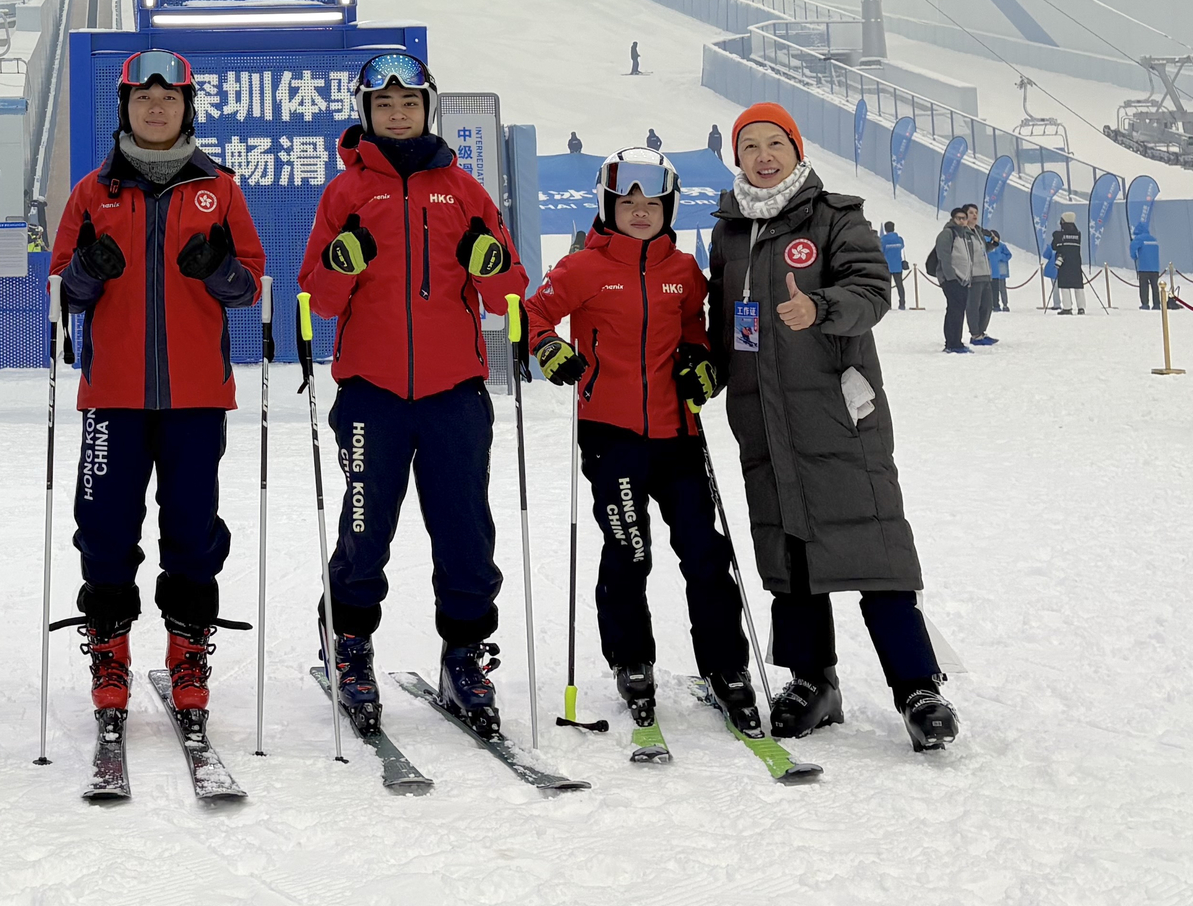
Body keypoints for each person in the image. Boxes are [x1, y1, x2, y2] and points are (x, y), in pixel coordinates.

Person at [708, 102, 957, 751]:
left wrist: (818, 306)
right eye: (751, 146)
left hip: (837, 411)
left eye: (775, 144)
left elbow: (871, 289)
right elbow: (720, 320)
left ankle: (917, 687)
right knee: (789, 555)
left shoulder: (836, 215)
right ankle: (812, 682)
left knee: (873, 546)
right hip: (762, 417)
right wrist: (700, 375)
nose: (763, 157)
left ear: (796, 149)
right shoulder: (731, 229)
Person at [299, 52, 527, 734]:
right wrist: (341, 264)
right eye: (383, 106)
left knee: (464, 531)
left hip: (454, 391)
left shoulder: (463, 190)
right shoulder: (345, 194)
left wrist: (494, 267)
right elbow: (317, 298)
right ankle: (349, 644)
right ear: (366, 115)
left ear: (428, 108)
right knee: (366, 528)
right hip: (372, 392)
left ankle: (464, 654)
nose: (397, 115)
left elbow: (508, 291)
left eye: (408, 104)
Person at [51, 50, 264, 734]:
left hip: (197, 396)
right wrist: (86, 270)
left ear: (186, 107)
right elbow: (64, 296)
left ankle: (187, 655)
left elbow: (250, 286)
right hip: (112, 394)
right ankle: (110, 657)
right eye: (143, 99)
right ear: (126, 108)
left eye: (168, 99)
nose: (156, 108)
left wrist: (219, 269)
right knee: (105, 529)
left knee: (193, 532)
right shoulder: (94, 192)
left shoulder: (220, 189)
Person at [524, 150, 757, 736]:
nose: (639, 212)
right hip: (613, 435)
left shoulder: (684, 270)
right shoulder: (582, 267)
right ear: (608, 206)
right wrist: (550, 349)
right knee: (630, 551)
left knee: (704, 553)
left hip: (679, 433)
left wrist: (701, 361)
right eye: (627, 202)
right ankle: (632, 658)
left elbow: (694, 330)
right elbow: (531, 316)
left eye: (651, 203)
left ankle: (725, 666)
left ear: (668, 208)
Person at [930, 204, 994, 353]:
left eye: (964, 218)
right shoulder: (948, 233)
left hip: (963, 279)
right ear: (953, 219)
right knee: (954, 310)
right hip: (952, 279)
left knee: (958, 311)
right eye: (960, 218)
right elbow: (944, 256)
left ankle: (956, 342)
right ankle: (952, 343)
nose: (963, 221)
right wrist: (951, 277)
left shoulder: (965, 234)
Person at [1052, 212, 1086, 314]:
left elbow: (1054, 246)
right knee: (1078, 286)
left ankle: (1067, 307)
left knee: (1064, 285)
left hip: (1064, 262)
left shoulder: (1059, 235)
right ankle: (1081, 307)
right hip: (1076, 262)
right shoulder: (1078, 234)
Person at [1131, 217, 1164, 310]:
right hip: (1155, 267)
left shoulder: (1139, 239)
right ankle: (1157, 304)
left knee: (1144, 286)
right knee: (1155, 286)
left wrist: (1135, 257)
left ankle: (1145, 303)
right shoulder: (1153, 239)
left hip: (1144, 267)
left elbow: (1132, 248)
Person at [879, 219, 909, 310]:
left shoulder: (883, 240)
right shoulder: (899, 239)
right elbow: (902, 247)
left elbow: (881, 251)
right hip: (898, 266)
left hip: (887, 266)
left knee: (887, 286)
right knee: (900, 285)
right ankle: (902, 303)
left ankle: (888, 304)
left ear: (885, 229)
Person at [985, 225, 1013, 316]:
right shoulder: (984, 243)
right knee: (987, 290)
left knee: (999, 289)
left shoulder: (1001, 245)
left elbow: (1008, 255)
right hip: (986, 272)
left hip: (998, 272)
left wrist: (1001, 257)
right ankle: (990, 305)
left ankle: (1001, 305)